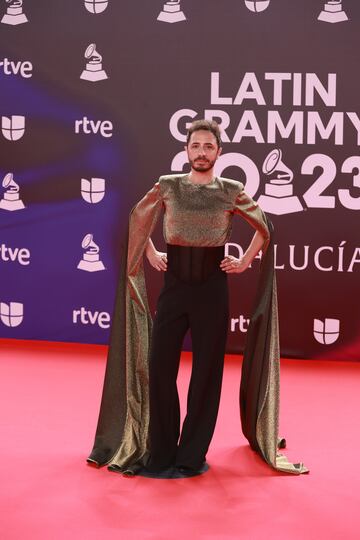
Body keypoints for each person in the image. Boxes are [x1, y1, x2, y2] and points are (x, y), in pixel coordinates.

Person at [87, 120, 307, 477]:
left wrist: (245, 260)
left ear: (219, 152)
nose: (201, 152)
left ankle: (191, 455)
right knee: (160, 369)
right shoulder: (168, 185)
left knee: (206, 374)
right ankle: (160, 451)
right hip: (173, 289)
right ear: (186, 150)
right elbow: (137, 220)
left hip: (212, 291)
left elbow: (265, 227)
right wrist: (149, 251)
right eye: (196, 146)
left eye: (208, 146)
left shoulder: (231, 190)